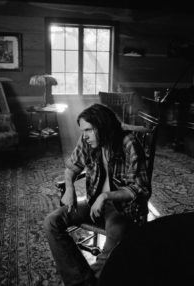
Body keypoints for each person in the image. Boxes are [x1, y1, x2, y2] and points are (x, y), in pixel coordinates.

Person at [44, 103, 151, 286]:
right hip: (94, 203)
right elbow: (71, 168)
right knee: (52, 222)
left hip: (123, 210)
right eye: (83, 130)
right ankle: (82, 281)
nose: (84, 135)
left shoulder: (129, 143)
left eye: (89, 130)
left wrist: (105, 196)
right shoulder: (87, 141)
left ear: (103, 126)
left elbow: (141, 189)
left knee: (110, 257)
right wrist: (69, 188)